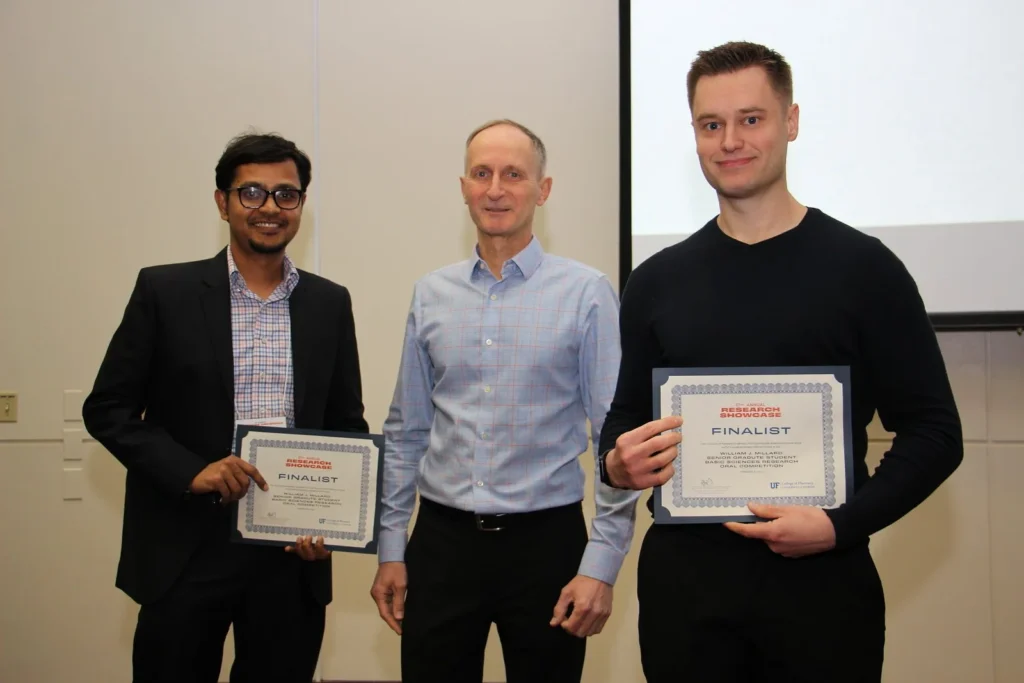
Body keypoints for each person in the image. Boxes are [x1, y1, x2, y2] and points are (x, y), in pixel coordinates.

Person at [596, 41, 964, 683]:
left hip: (822, 588)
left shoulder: (865, 269)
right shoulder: (655, 282)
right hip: (685, 593)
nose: (730, 141)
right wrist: (617, 464)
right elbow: (623, 422)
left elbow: (935, 433)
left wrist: (840, 525)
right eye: (711, 124)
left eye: (751, 119)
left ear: (790, 121)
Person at [82, 132, 369, 683]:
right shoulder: (164, 291)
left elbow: (345, 426)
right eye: (252, 193)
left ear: (301, 205)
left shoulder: (329, 303)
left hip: (291, 554)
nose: (270, 208)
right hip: (184, 547)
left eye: (286, 194)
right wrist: (191, 471)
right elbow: (108, 409)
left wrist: (332, 523)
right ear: (223, 202)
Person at [369, 119, 640, 683]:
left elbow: (615, 438)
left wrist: (602, 563)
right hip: (441, 546)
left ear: (543, 189)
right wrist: (391, 547)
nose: (495, 189)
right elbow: (407, 431)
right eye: (482, 173)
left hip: (547, 548)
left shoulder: (587, 294)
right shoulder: (431, 293)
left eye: (514, 174)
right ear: (464, 187)